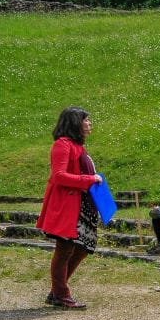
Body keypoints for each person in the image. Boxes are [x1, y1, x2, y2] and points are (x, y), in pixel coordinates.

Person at [36, 107, 103, 309]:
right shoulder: (62, 145)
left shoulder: (77, 146)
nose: (90, 123)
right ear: (75, 122)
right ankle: (60, 294)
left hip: (82, 206)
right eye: (86, 120)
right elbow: (59, 176)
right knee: (64, 250)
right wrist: (90, 179)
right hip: (68, 206)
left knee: (83, 248)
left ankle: (57, 291)